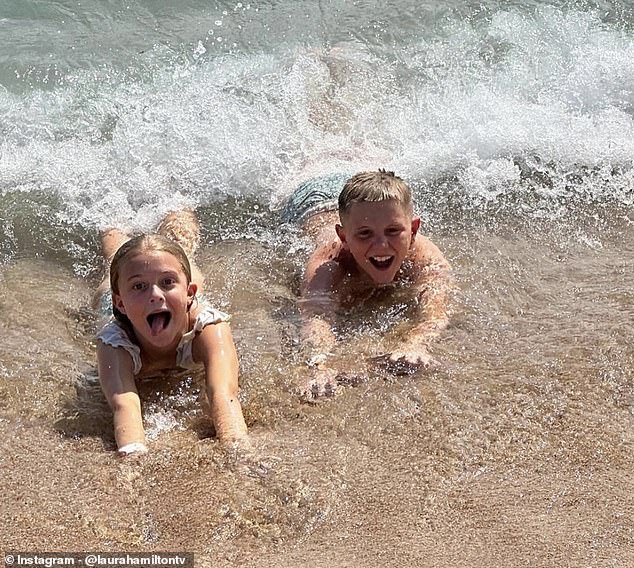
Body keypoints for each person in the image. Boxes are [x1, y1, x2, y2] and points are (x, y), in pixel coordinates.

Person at [284, 170, 452, 399]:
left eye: (393, 231)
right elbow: (316, 316)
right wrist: (319, 365)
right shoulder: (330, 264)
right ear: (344, 238)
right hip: (311, 199)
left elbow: (436, 310)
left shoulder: (425, 257)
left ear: (413, 230)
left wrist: (416, 343)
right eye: (364, 234)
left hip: (361, 200)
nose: (381, 245)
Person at [92, 210, 249, 456]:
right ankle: (110, 220)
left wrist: (239, 454)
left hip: (179, 304)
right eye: (139, 286)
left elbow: (223, 394)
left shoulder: (208, 328)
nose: (154, 294)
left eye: (166, 283)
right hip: (120, 307)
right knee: (118, 258)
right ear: (120, 302)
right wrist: (133, 464)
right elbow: (125, 405)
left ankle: (179, 208)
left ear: (189, 293)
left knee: (180, 256)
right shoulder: (115, 343)